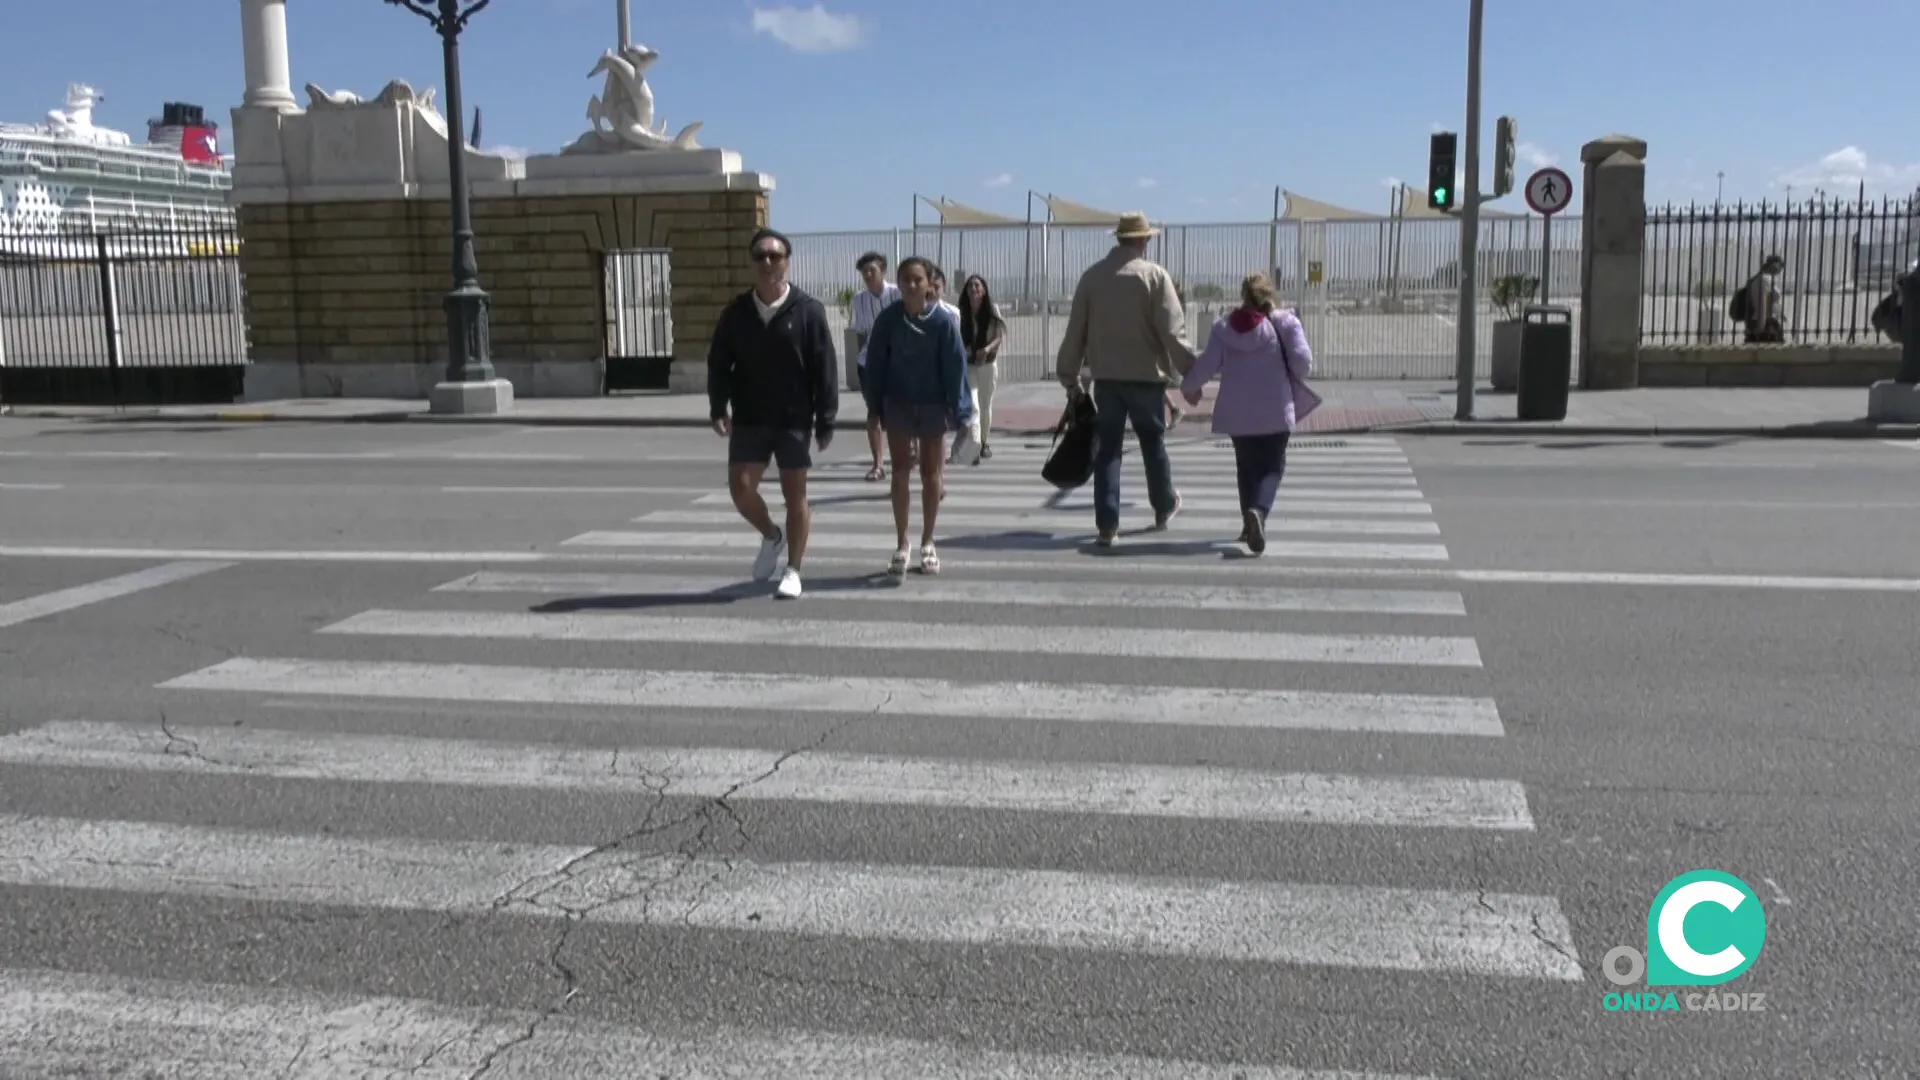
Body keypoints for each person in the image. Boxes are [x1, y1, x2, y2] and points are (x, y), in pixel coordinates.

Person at [706, 227, 838, 599]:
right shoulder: (736, 313)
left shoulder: (808, 310)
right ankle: (771, 535)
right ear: (753, 263)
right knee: (741, 489)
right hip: (749, 416)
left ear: (786, 263)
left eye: (775, 256)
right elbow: (718, 362)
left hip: (794, 418)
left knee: (795, 496)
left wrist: (827, 417)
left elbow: (824, 366)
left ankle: (794, 569)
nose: (767, 262)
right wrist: (718, 406)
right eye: (760, 256)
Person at [1054, 211, 1196, 546]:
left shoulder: (1092, 278)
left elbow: (1076, 331)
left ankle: (1107, 524)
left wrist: (1069, 375)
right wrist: (1192, 369)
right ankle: (1163, 505)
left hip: (1107, 381)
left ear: (1118, 238)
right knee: (1152, 443)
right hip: (1147, 379)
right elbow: (1173, 331)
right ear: (1143, 239)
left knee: (1108, 451)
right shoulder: (1154, 276)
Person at [1179, 272, 1314, 555]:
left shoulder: (1225, 328)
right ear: (1270, 294)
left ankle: (1247, 524)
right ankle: (1258, 513)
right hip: (1276, 409)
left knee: (1246, 466)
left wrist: (1189, 388)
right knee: (1273, 467)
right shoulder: (1285, 323)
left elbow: (1206, 365)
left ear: (1244, 295)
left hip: (1236, 413)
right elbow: (1303, 363)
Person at [861, 256, 972, 576]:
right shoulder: (888, 321)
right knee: (899, 472)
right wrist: (873, 408)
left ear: (929, 285)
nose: (911, 285)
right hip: (898, 405)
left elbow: (956, 369)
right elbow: (875, 367)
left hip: (932, 406)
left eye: (918, 280)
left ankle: (928, 541)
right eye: (906, 279)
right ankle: (901, 543)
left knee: (930, 475)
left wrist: (962, 411)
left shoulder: (942, 323)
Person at [850, 251, 900, 482]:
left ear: (883, 271)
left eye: (872, 270)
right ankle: (878, 464)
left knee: (903, 412)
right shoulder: (859, 299)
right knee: (874, 413)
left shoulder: (897, 294)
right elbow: (859, 333)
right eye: (864, 272)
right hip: (870, 363)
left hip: (898, 362)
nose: (868, 275)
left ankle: (910, 454)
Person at [957, 273, 1005, 461]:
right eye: (970, 286)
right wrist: (965, 349)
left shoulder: (992, 309)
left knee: (986, 406)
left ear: (984, 290)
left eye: (977, 285)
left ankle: (984, 442)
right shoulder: (962, 311)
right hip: (969, 365)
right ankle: (975, 445)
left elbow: (999, 336)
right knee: (974, 406)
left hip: (988, 364)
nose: (974, 289)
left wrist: (986, 349)